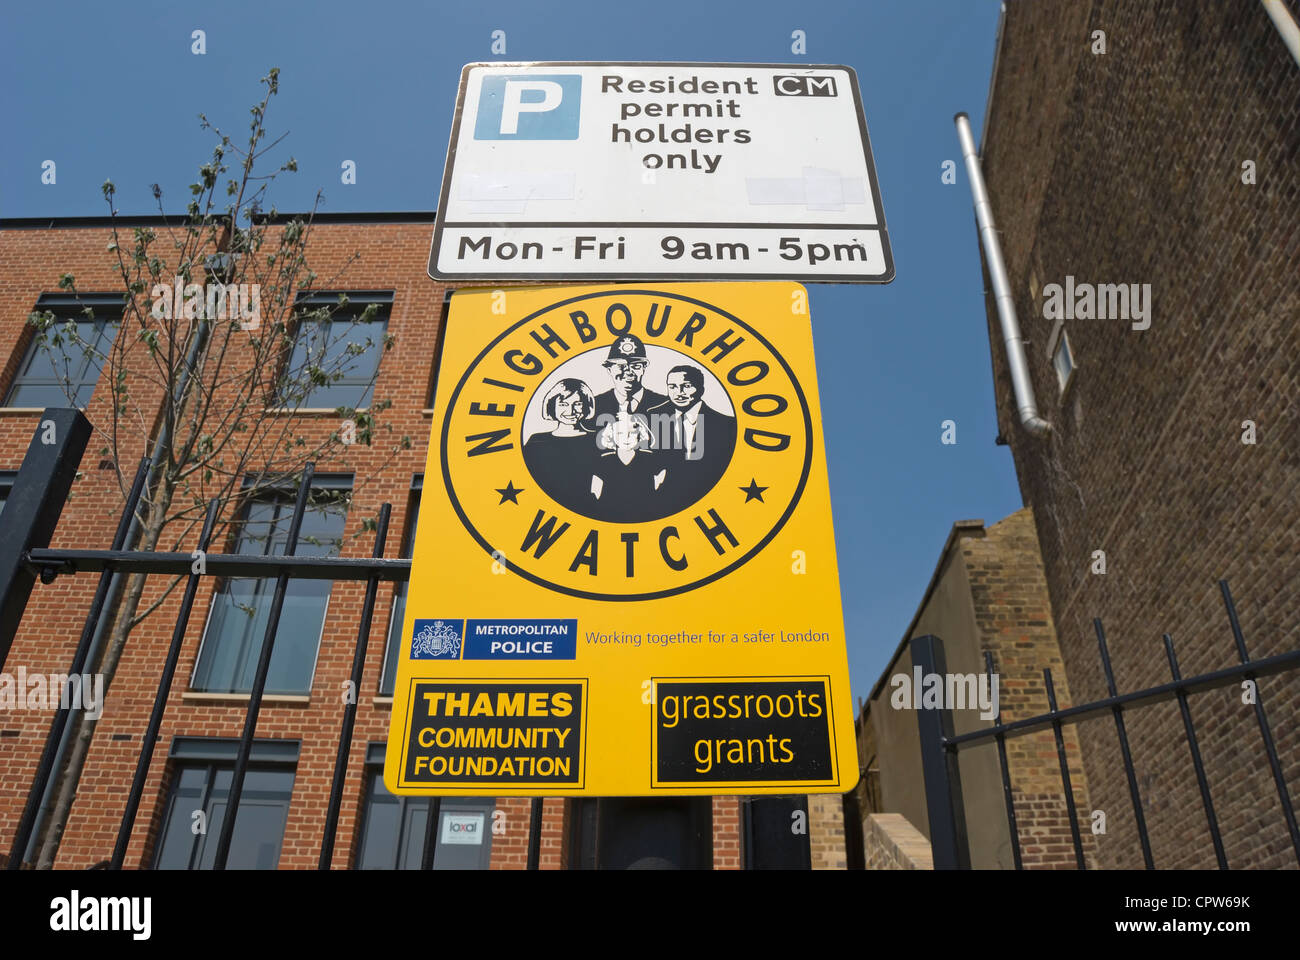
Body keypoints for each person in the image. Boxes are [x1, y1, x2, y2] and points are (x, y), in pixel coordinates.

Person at [645, 364, 736, 513]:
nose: (679, 393)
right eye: (672, 387)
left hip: (707, 505)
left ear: (701, 388)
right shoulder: (651, 418)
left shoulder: (726, 425)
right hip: (658, 506)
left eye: (686, 386)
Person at [522, 379, 600, 513]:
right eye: (563, 404)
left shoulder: (597, 440)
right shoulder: (537, 441)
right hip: (542, 508)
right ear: (552, 406)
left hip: (586, 508)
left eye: (578, 404)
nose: (570, 410)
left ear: (587, 406)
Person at [590, 335, 668, 423]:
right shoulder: (595, 406)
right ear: (609, 370)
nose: (628, 372)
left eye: (636, 366)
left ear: (644, 369)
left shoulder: (664, 404)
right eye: (621, 366)